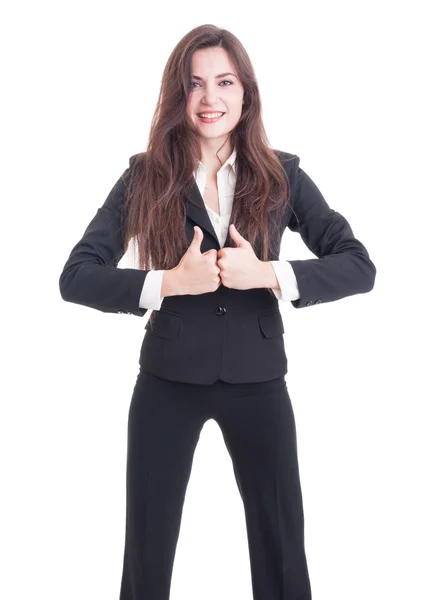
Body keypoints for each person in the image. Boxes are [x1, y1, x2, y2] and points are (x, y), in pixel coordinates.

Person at [59, 24, 376, 600]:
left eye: (224, 82)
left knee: (282, 547)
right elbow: (76, 276)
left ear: (245, 93)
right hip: (166, 383)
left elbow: (359, 265)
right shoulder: (145, 175)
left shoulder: (283, 174)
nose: (210, 98)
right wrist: (168, 282)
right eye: (195, 84)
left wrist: (272, 275)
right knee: (147, 550)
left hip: (259, 383)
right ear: (177, 96)